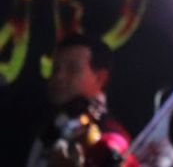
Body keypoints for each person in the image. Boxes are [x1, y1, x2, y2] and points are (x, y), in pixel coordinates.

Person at [27, 33, 135, 167]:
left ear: (100, 78)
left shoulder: (112, 139)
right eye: (55, 69)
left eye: (73, 69)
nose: (59, 77)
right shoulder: (50, 130)